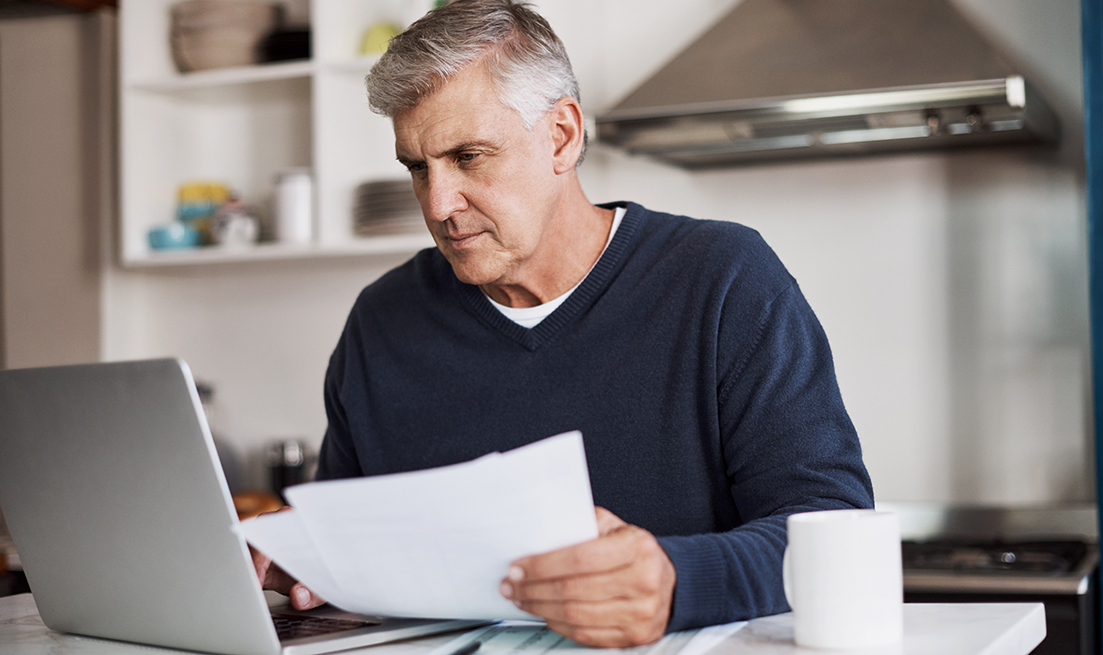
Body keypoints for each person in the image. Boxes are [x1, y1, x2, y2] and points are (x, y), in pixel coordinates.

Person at [254, 0, 874, 647]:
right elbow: (344, 538)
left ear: (562, 135)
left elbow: (834, 525)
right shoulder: (381, 323)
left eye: (468, 156)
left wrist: (678, 579)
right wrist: (303, 561)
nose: (438, 204)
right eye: (417, 166)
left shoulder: (725, 282)